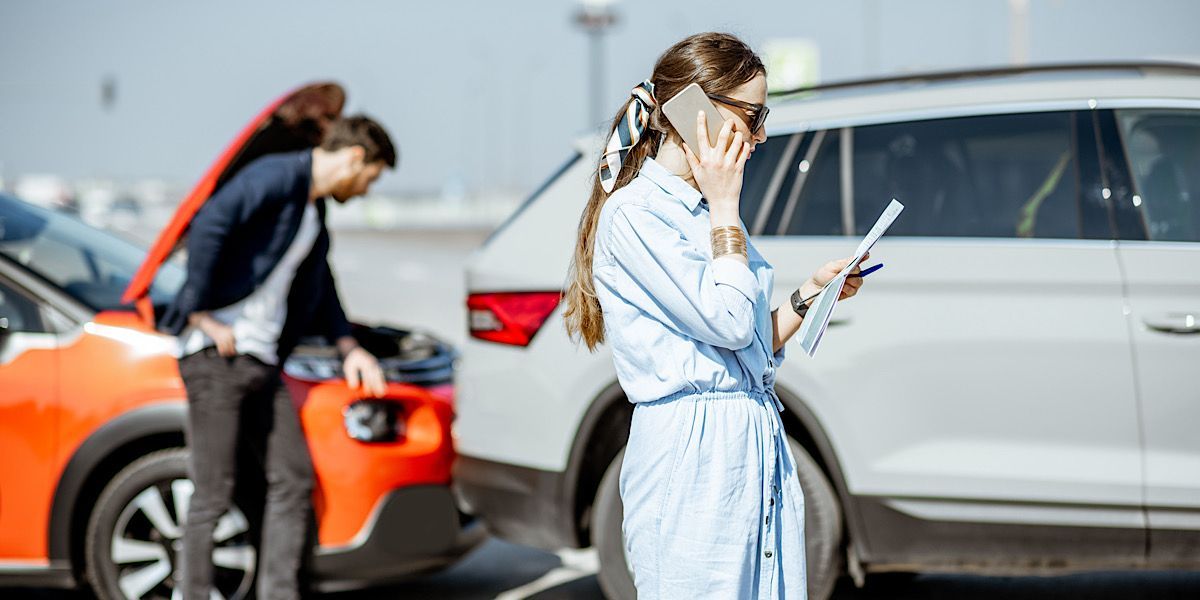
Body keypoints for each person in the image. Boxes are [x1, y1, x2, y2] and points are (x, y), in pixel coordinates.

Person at [563, 33, 867, 599]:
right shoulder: (637, 216)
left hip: (748, 439)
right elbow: (727, 323)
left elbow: (745, 344)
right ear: (693, 109)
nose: (761, 134)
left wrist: (809, 296)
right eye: (753, 115)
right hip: (692, 455)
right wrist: (726, 206)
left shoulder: (706, 209)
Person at [159, 116, 396, 600]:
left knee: (291, 479)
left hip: (260, 363)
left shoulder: (311, 210)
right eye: (370, 178)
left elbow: (320, 283)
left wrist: (348, 345)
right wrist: (201, 314)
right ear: (354, 158)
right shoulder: (276, 176)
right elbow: (208, 224)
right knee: (212, 493)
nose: (366, 190)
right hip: (216, 359)